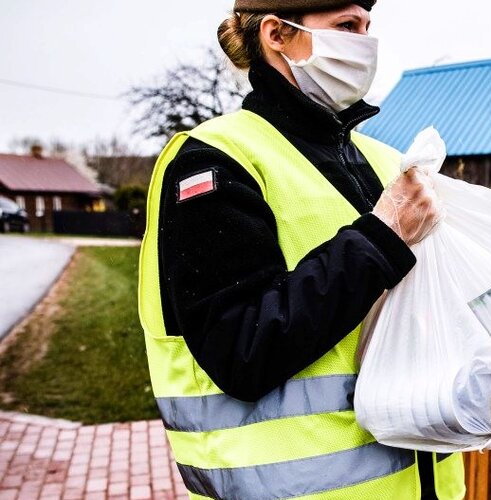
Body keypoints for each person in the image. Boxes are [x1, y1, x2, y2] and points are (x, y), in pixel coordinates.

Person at [136, 1, 466, 498]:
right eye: (345, 27)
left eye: (367, 27)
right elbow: (241, 349)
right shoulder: (214, 161)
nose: (364, 44)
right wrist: (381, 238)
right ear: (277, 35)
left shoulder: (384, 162)